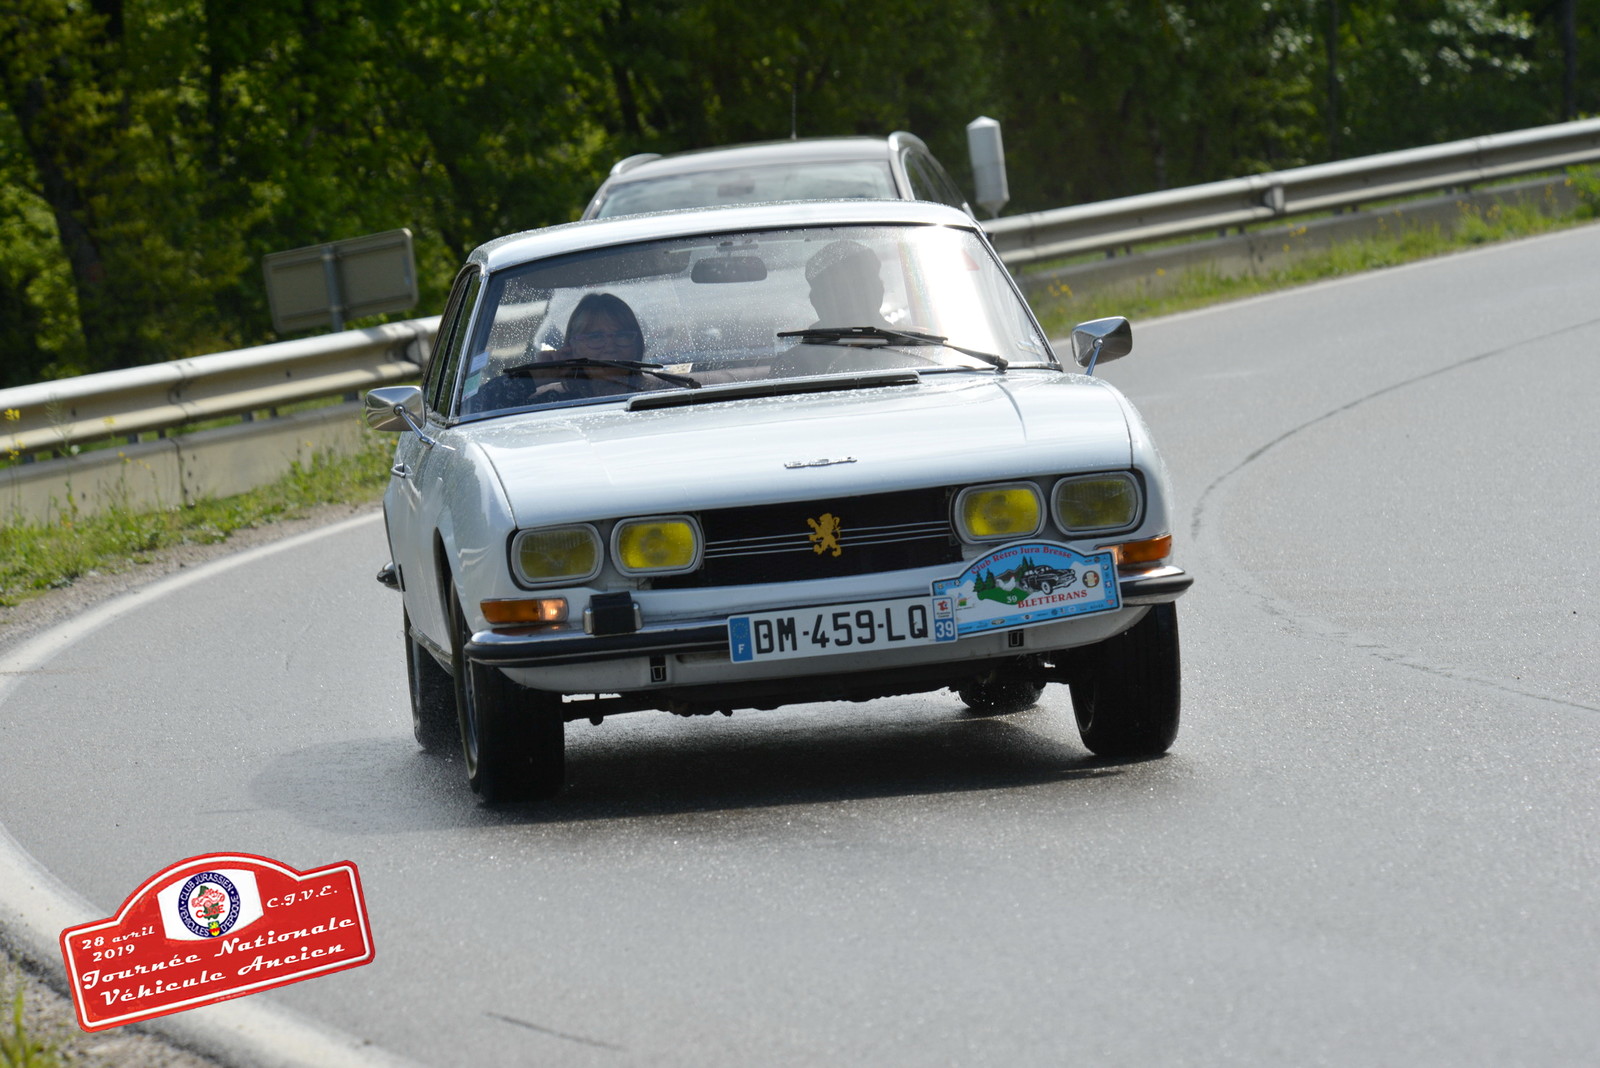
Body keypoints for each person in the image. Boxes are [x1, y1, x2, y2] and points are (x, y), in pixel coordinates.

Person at [533, 292, 649, 398]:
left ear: (637, 345)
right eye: (595, 337)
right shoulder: (553, 400)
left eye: (622, 335)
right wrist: (536, 378)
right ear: (572, 347)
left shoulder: (657, 393)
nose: (610, 348)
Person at [803, 239, 892, 329]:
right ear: (816, 302)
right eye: (837, 291)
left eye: (859, 286)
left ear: (879, 290)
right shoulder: (896, 334)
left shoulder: (898, 336)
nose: (852, 300)